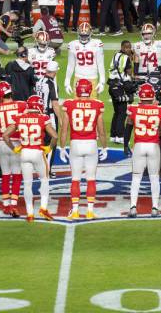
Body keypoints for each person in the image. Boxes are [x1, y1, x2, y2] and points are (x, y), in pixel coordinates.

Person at [2, 95, 58, 223]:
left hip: (24, 152)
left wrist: (14, 148)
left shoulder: (20, 118)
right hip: (37, 151)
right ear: (39, 105)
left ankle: (30, 213)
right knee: (44, 180)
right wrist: (49, 148)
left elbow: (5, 135)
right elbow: (54, 136)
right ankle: (43, 208)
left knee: (27, 183)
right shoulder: (43, 118)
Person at [59, 79, 107, 220]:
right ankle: (90, 211)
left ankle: (75, 211)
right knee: (91, 179)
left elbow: (64, 129)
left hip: (75, 143)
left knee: (75, 179)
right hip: (91, 143)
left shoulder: (69, 104)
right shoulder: (97, 104)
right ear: (90, 89)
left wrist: (62, 147)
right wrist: (105, 147)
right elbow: (101, 129)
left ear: (78, 89)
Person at [124, 83, 161, 218]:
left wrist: (125, 144)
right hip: (153, 146)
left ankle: (133, 207)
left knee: (136, 177)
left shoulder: (133, 109)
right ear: (152, 95)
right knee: (154, 177)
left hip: (139, 146)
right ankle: (155, 208)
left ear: (140, 96)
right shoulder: (160, 110)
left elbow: (128, 126)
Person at [0, 81, 26, 217]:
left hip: (2, 143)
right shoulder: (22, 105)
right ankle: (14, 205)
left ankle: (6, 205)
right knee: (17, 174)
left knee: (5, 174)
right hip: (17, 143)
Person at [64, 22, 105, 98]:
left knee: (93, 106)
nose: (83, 37)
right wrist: (67, 82)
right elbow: (70, 65)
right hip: (78, 78)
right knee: (77, 105)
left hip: (92, 78)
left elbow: (100, 64)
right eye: (82, 35)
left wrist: (102, 81)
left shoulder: (97, 43)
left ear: (90, 33)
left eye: (85, 35)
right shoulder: (72, 44)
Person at [108, 41, 134, 144]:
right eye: (126, 47)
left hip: (112, 86)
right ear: (122, 47)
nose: (128, 49)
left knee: (117, 112)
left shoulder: (116, 55)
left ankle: (113, 135)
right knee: (122, 112)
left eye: (129, 47)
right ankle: (120, 135)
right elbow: (128, 72)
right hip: (119, 87)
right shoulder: (126, 58)